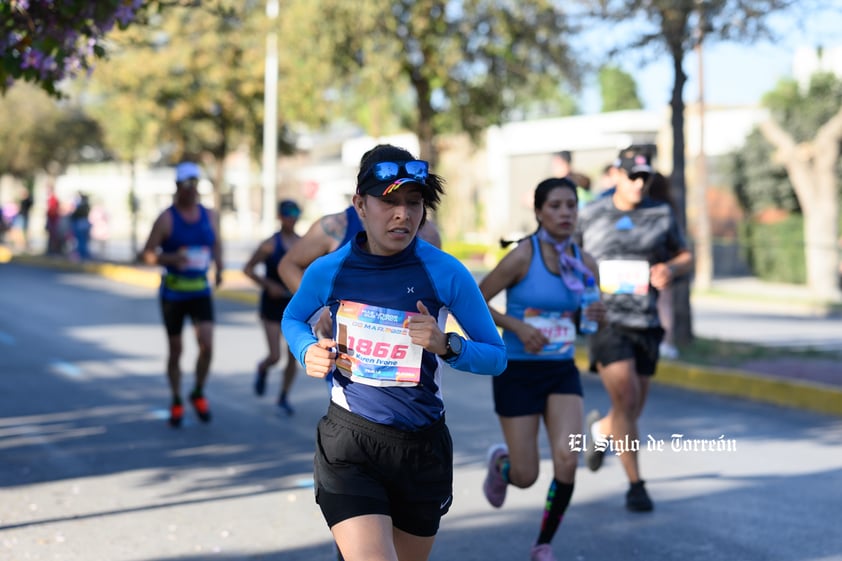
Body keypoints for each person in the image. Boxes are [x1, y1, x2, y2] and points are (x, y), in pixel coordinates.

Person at [281, 144, 507, 561]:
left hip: (422, 448)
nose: (402, 214)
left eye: (413, 203)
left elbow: (496, 355)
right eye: (388, 202)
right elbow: (293, 319)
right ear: (360, 206)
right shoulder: (330, 269)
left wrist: (447, 344)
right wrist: (306, 348)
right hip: (350, 442)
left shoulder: (445, 271)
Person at [478, 177, 605, 561]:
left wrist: (596, 315)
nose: (565, 213)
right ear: (538, 212)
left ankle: (543, 543)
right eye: (555, 206)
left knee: (568, 458)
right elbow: (475, 301)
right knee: (526, 475)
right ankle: (502, 466)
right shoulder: (522, 256)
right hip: (517, 370)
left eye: (571, 205)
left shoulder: (586, 264)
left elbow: (587, 323)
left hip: (561, 370)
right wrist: (516, 326)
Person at [576, 148, 693, 512]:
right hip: (607, 321)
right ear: (616, 174)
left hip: (646, 322)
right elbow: (565, 254)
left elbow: (686, 255)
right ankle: (636, 485)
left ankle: (600, 431)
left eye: (645, 177)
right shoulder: (591, 213)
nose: (639, 183)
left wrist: (670, 270)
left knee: (631, 408)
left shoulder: (660, 214)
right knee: (626, 399)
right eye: (632, 176)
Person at [139, 161, 223, 428]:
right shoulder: (166, 218)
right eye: (187, 184)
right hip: (173, 293)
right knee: (176, 350)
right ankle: (176, 398)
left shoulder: (210, 215)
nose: (192, 189)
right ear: (177, 187)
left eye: (196, 183)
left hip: (200, 289)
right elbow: (147, 254)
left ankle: (197, 391)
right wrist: (173, 257)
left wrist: (219, 267)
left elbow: (217, 241)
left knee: (207, 345)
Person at [242, 199, 302, 416]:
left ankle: (284, 396)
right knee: (275, 355)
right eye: (287, 212)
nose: (291, 216)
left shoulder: (303, 243)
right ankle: (263, 367)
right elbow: (247, 269)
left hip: (294, 305)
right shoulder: (270, 244)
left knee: (293, 354)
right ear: (279, 216)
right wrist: (268, 285)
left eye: (295, 212)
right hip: (272, 304)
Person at [646, 172, 680, 360]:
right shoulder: (669, 206)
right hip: (665, 258)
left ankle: (666, 342)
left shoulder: (656, 210)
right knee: (665, 302)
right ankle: (667, 342)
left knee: (663, 302)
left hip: (658, 259)